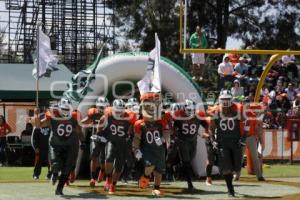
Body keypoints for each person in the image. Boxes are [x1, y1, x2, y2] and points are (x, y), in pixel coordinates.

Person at [35, 98, 84, 195]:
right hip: (56, 144)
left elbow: (78, 130)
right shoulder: (53, 115)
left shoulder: (73, 116)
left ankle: (59, 188)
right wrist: (36, 115)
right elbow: (39, 125)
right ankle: (54, 174)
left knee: (67, 168)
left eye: (68, 109)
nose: (66, 112)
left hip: (69, 144)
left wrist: (83, 141)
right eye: (64, 109)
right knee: (55, 165)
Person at [208, 90, 247, 197]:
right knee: (226, 168)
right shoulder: (216, 111)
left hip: (235, 141)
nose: (225, 102)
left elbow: (246, 123)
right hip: (223, 142)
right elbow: (211, 128)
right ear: (220, 100)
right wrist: (212, 140)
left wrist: (244, 137)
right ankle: (230, 190)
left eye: (227, 100)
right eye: (223, 100)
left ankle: (231, 183)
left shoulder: (238, 109)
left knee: (237, 167)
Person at [133, 92, 171, 197]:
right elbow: (137, 138)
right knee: (150, 165)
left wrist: (163, 139)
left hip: (159, 149)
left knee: (159, 170)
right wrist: (135, 149)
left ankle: (156, 188)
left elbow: (167, 133)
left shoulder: (162, 121)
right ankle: (145, 176)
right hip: (147, 149)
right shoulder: (139, 123)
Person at [98, 99, 136, 194]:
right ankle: (108, 179)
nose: (119, 113)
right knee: (108, 159)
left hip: (123, 143)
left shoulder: (129, 117)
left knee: (119, 166)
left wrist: (130, 136)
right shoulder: (108, 114)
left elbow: (132, 130)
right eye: (117, 110)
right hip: (111, 141)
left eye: (121, 110)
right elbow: (101, 121)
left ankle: (113, 185)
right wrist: (100, 134)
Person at [173, 99, 209, 192]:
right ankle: (190, 184)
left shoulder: (198, 116)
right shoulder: (178, 116)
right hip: (183, 141)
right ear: (184, 109)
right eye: (188, 109)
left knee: (191, 158)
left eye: (191, 109)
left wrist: (205, 133)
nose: (190, 111)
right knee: (187, 162)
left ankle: (178, 169)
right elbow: (173, 127)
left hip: (193, 141)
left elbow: (207, 125)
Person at [81, 97, 109, 187]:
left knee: (105, 159)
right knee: (94, 156)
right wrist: (77, 122)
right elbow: (85, 121)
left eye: (104, 107)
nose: (102, 109)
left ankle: (103, 170)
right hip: (95, 137)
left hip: (106, 138)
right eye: (100, 107)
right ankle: (92, 178)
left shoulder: (111, 114)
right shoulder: (93, 113)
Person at [31, 109, 52, 180]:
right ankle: (36, 174)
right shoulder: (37, 128)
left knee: (50, 162)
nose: (46, 120)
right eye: (44, 118)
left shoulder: (51, 127)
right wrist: (36, 147)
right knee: (39, 162)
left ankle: (50, 175)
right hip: (41, 147)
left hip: (49, 147)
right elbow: (34, 138)